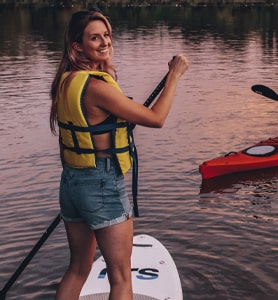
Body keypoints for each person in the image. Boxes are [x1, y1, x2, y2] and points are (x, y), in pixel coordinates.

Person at [48, 9, 189, 300]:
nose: (104, 42)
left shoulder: (65, 81)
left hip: (72, 183)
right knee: (122, 277)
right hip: (101, 183)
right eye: (94, 37)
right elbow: (157, 117)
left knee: (77, 269)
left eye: (106, 35)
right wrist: (174, 74)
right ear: (77, 45)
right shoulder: (97, 87)